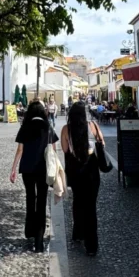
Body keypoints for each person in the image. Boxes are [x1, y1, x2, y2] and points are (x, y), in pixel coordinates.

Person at [10, 99, 58, 252]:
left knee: (30, 198)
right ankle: (39, 240)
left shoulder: (25, 127)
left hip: (27, 169)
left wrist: (13, 168)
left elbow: (20, 150)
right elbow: (53, 151)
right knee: (42, 201)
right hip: (43, 169)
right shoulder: (48, 126)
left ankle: (29, 231)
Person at [61, 100, 104, 255]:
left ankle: (78, 232)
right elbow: (102, 142)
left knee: (78, 202)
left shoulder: (66, 129)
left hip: (76, 168)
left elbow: (65, 150)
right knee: (90, 206)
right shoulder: (92, 125)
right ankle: (92, 245)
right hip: (92, 168)